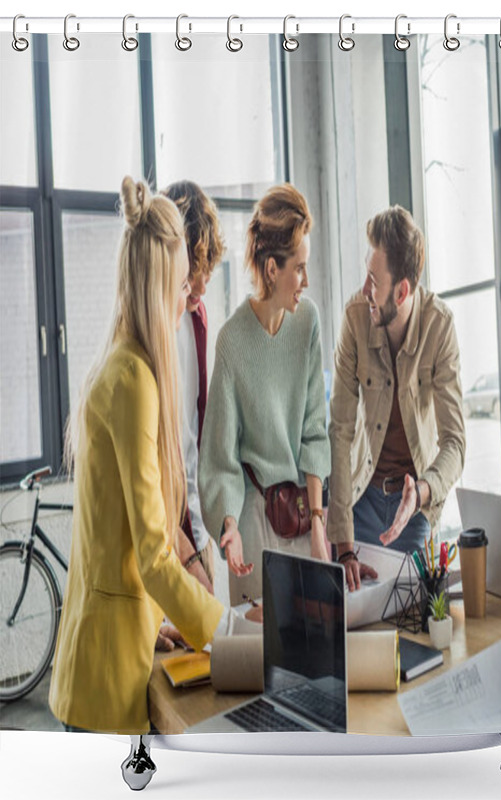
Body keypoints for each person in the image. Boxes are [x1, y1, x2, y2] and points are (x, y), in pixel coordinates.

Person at [49, 177, 257, 734]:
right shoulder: (136, 379)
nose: (187, 295)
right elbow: (153, 553)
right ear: (160, 281)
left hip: (100, 658)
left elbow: (118, 547)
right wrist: (229, 630)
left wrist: (153, 618)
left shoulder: (115, 364)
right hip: (107, 683)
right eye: (183, 281)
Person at [199, 183, 331, 607]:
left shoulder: (307, 321)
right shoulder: (232, 343)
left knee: (312, 651)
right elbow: (220, 458)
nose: (305, 281)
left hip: (302, 514)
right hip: (254, 524)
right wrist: (229, 526)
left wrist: (318, 522)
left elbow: (314, 428)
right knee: (259, 662)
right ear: (272, 269)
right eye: (299, 268)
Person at [327, 206, 466, 591]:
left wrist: (420, 493)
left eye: (374, 280)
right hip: (361, 499)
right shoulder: (355, 318)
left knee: (413, 618)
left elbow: (455, 444)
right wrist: (343, 544)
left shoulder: (440, 326)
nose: (365, 290)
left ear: (402, 290)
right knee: (355, 623)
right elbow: (339, 429)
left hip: (414, 509)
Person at [161, 180, 225, 597]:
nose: (201, 285)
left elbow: (200, 436)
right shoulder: (156, 331)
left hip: (196, 530)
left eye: (207, 270)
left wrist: (206, 534)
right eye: (195, 268)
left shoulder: (198, 320)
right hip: (166, 538)